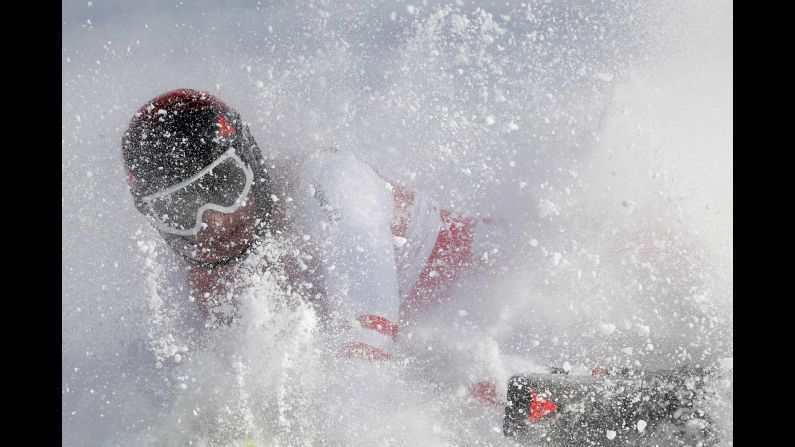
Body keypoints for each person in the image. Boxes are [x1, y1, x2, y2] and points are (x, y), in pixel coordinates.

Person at [122, 88, 499, 365]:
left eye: (224, 185)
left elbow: (366, 352)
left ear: (252, 163)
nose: (213, 220)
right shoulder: (188, 278)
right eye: (180, 208)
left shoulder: (324, 185)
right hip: (424, 351)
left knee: (485, 386)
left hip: (497, 282)